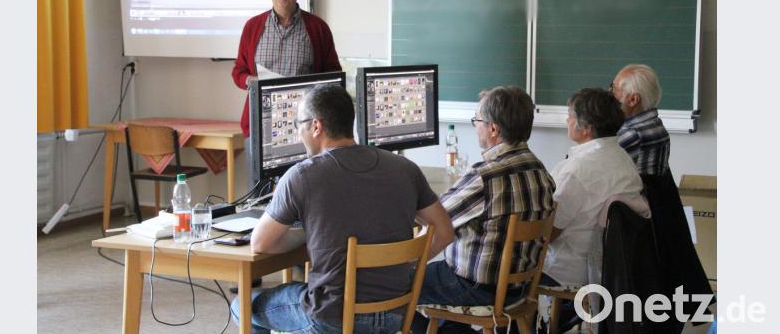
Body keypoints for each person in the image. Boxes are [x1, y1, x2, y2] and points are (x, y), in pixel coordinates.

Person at [230, 85, 455, 333]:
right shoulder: (406, 168)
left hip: (331, 318)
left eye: (298, 124)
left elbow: (260, 244)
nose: (298, 133)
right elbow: (445, 233)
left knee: (243, 305)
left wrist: (307, 233)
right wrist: (407, 263)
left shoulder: (301, 175)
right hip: (396, 314)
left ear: (316, 126)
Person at [412, 86, 555, 334]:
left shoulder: (486, 176)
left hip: (475, 288)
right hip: (520, 288)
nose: (474, 126)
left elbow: (435, 218)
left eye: (477, 120)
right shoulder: (540, 170)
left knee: (393, 281)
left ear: (493, 129)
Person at [539, 88, 643, 331]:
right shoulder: (622, 158)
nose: (567, 120)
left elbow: (548, 232)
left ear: (586, 128)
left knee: (502, 266)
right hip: (612, 267)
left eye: (570, 115)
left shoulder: (578, 169)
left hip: (571, 269)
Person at [231, 0, 341, 137]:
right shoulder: (252, 27)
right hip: (261, 121)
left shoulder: (318, 27)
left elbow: (333, 74)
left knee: (305, 166)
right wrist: (249, 80)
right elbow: (238, 71)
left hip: (305, 124)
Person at [610, 64, 670, 175]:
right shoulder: (655, 123)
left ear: (633, 99)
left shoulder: (631, 134)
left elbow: (596, 170)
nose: (610, 94)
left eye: (614, 89)